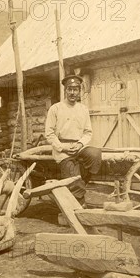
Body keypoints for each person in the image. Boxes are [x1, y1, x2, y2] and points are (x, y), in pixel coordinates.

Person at [45, 74, 102, 206]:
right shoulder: (55, 108)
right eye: (69, 89)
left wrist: (80, 144)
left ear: (79, 91)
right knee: (72, 173)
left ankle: (80, 183)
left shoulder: (83, 109)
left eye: (75, 89)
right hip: (62, 148)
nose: (72, 92)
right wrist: (62, 147)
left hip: (78, 146)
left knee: (95, 154)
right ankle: (78, 203)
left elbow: (88, 132)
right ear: (65, 90)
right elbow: (49, 133)